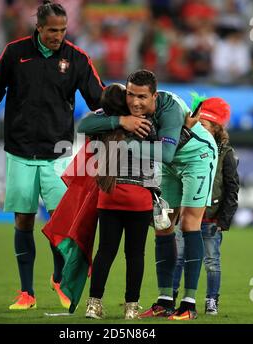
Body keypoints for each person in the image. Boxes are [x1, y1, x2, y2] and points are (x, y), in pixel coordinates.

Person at [0, 0, 104, 310]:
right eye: (52, 30)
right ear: (38, 28)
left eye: (63, 30)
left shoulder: (77, 58)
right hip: (19, 151)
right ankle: (26, 293)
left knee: (61, 222)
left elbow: (99, 96)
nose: (58, 36)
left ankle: (58, 276)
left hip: (58, 153)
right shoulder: (15, 53)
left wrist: (119, 113)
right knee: (24, 220)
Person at [77, 69, 218, 320]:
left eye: (142, 97)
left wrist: (122, 143)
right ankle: (164, 300)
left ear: (154, 96)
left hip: (197, 157)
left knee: (188, 224)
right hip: (169, 164)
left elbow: (165, 154)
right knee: (163, 227)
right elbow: (85, 124)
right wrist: (119, 122)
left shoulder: (170, 109)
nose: (135, 102)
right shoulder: (129, 110)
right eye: (131, 95)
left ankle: (189, 304)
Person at [78, 83, 159, 320]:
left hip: (109, 196)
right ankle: (131, 308)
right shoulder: (146, 124)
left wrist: (115, 119)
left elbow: (84, 124)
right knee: (135, 255)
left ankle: (93, 305)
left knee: (105, 253)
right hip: (139, 198)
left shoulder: (102, 127)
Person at [173, 94, 239, 315]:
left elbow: (232, 188)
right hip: (187, 216)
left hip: (210, 219)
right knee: (178, 258)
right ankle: (170, 296)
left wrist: (224, 220)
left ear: (217, 128)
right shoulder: (187, 148)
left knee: (212, 262)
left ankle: (211, 300)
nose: (199, 128)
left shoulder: (226, 154)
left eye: (204, 124)